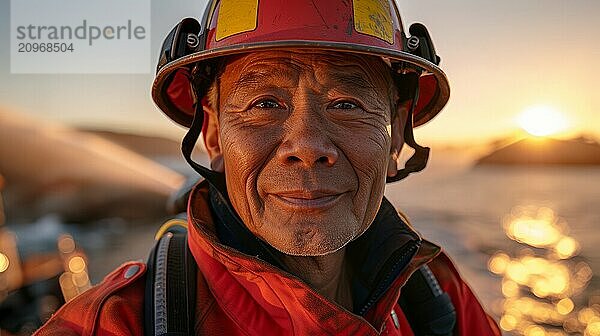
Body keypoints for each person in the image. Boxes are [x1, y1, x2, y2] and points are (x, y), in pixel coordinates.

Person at [35, 0, 501, 335]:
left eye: (347, 103)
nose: (307, 146)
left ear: (396, 132)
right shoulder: (116, 325)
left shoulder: (436, 294)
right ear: (213, 134)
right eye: (264, 103)